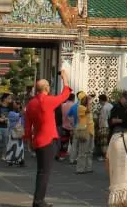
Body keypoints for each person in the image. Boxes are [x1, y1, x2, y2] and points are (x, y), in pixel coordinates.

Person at [24, 69, 72, 207]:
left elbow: (28, 125)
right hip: (48, 140)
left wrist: (28, 140)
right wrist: (65, 79)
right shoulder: (47, 101)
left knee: (41, 171)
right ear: (46, 88)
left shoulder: (31, 103)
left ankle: (38, 200)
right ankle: (38, 201)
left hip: (38, 140)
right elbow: (65, 95)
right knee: (44, 173)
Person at [74, 92, 95, 173]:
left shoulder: (86, 106)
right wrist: (89, 101)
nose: (87, 99)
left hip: (91, 131)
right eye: (86, 98)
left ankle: (88, 168)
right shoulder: (81, 107)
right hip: (84, 130)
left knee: (90, 150)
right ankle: (80, 169)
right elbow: (88, 110)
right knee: (83, 151)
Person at [4, 101, 26, 166]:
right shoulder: (11, 113)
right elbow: (21, 114)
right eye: (16, 104)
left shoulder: (15, 112)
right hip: (13, 132)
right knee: (12, 146)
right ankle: (11, 160)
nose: (17, 105)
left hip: (18, 131)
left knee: (20, 146)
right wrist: (23, 108)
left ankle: (20, 160)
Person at [97, 93, 112, 161]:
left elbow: (102, 119)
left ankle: (105, 156)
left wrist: (100, 128)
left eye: (99, 100)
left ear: (101, 100)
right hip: (109, 126)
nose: (99, 102)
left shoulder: (104, 107)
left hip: (104, 126)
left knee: (104, 142)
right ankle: (107, 156)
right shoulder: (110, 106)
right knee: (107, 142)